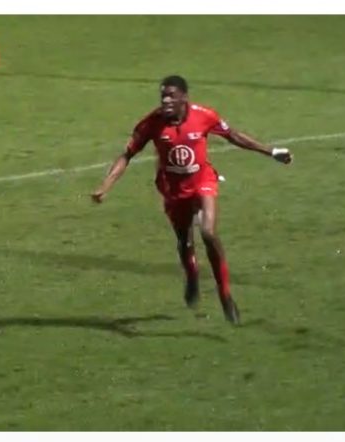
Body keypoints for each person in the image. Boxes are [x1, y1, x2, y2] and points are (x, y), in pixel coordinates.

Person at [91, 75, 293, 324]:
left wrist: (271, 151)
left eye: (171, 96)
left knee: (208, 232)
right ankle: (192, 275)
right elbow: (127, 155)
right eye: (163, 96)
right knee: (184, 241)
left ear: (184, 98)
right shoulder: (151, 123)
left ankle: (225, 294)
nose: (166, 100)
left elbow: (234, 136)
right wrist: (106, 185)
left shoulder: (204, 116)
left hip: (202, 182)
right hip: (173, 190)